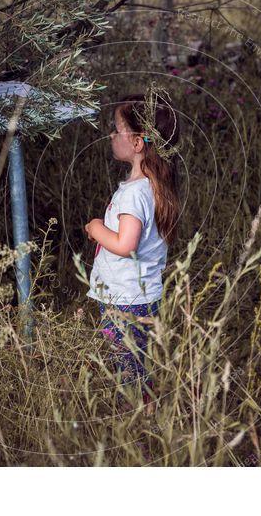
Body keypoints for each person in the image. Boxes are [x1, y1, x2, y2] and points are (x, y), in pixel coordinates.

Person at [84, 85, 181, 415]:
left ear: (137, 143)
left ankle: (139, 423)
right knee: (140, 362)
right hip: (144, 295)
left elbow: (125, 245)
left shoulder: (133, 194)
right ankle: (148, 412)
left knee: (129, 369)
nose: (112, 135)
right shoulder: (155, 185)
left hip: (124, 299)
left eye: (118, 130)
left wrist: (96, 228)